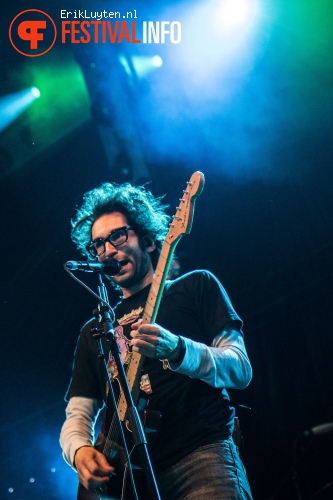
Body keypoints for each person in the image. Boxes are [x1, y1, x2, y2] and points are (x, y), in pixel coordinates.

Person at [60, 181, 253, 500]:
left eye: (117, 236)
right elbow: (78, 413)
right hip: (129, 483)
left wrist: (178, 350)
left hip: (200, 456)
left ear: (148, 240)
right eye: (98, 245)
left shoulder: (194, 287)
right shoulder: (94, 331)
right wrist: (79, 451)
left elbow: (240, 369)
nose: (107, 250)